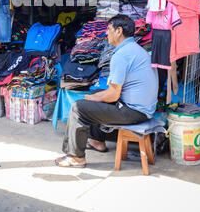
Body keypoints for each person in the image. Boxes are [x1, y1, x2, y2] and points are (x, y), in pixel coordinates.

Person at [55, 14, 158, 168]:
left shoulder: (121, 54)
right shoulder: (136, 49)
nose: (106, 33)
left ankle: (75, 157)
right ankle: (96, 140)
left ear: (119, 31)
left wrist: (91, 99)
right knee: (97, 96)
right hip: (143, 109)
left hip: (134, 111)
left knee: (79, 108)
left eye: (109, 29)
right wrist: (95, 98)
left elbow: (113, 95)